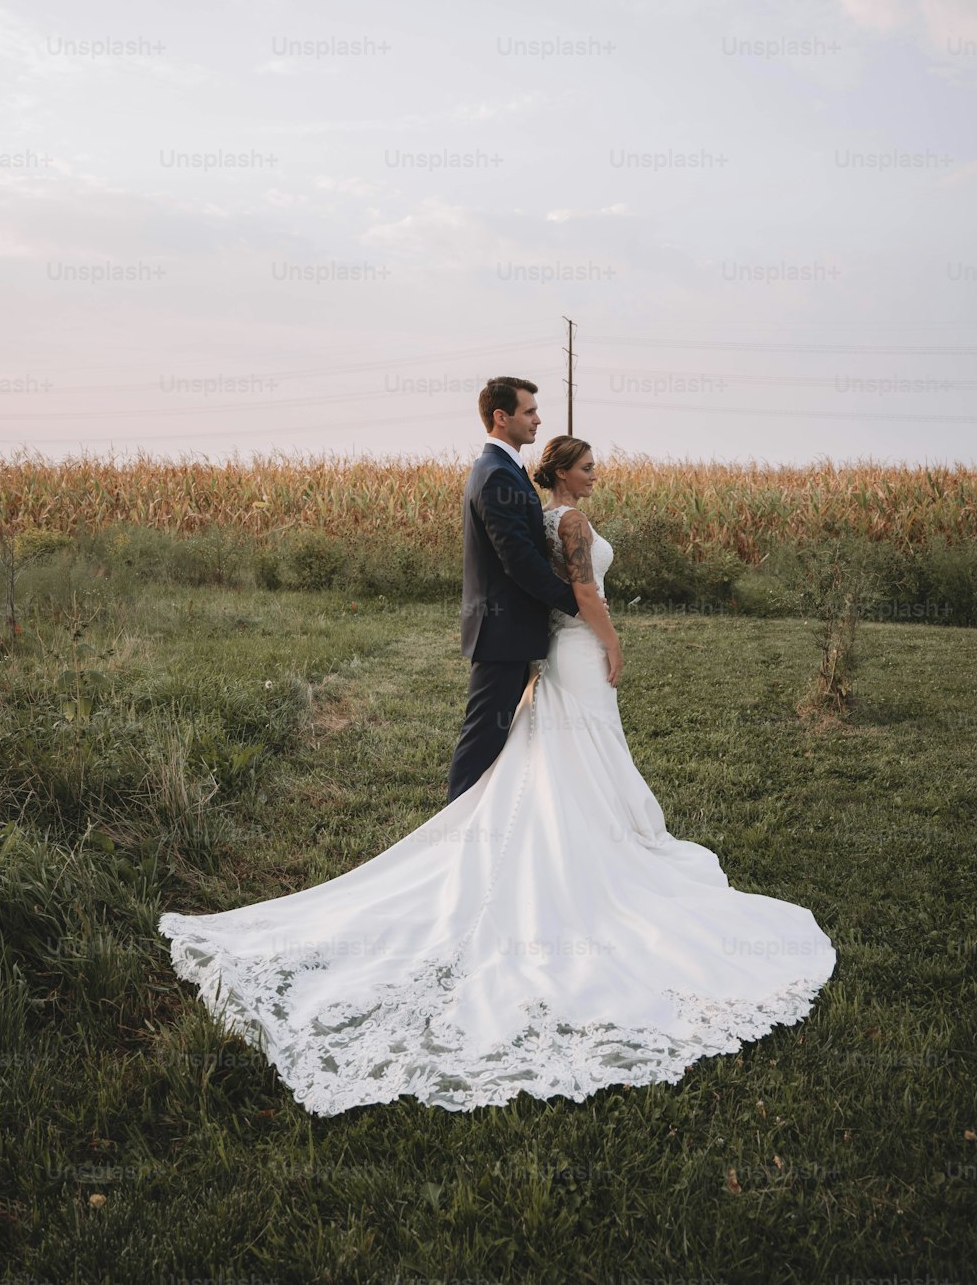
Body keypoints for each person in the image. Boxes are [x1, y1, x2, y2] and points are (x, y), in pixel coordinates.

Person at [157, 435, 836, 1117]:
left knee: (564, 749)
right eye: (589, 466)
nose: (597, 475)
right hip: (575, 647)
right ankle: (591, 850)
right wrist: (612, 639)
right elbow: (580, 590)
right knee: (578, 745)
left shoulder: (544, 514)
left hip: (559, 650)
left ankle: (573, 832)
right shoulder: (567, 520)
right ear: (566, 473)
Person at [446, 376, 582, 803]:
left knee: (501, 735)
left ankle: (488, 814)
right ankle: (455, 834)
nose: (538, 419)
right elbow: (519, 560)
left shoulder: (505, 469)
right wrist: (574, 601)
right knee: (484, 736)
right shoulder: (495, 475)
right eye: (529, 411)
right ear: (500, 417)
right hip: (499, 632)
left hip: (510, 629)